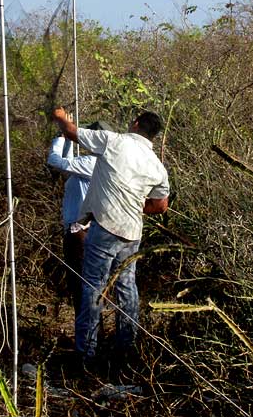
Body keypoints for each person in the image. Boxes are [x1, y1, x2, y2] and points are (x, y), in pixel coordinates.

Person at [52, 107, 169, 365]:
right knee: (127, 288)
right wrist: (135, 205)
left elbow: (72, 133)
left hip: (105, 228)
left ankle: (86, 354)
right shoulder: (157, 166)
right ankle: (125, 351)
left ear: (136, 123)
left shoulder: (114, 141)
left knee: (93, 286)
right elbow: (161, 206)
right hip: (132, 233)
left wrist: (61, 117)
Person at [47, 116, 113, 317]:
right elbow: (67, 169)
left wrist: (60, 136)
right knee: (86, 287)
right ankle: (90, 335)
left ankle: (88, 341)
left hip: (81, 233)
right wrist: (67, 140)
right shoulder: (102, 164)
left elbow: (55, 162)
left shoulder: (92, 163)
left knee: (81, 286)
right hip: (86, 231)